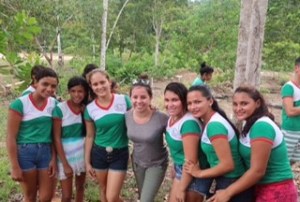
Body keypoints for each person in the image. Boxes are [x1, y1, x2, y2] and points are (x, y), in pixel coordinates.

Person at [208, 85, 297, 202]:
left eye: (244, 104)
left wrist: (227, 192)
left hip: (276, 190)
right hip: (262, 187)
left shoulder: (262, 126)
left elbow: (257, 171)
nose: (238, 108)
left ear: (257, 103)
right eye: (235, 104)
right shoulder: (249, 124)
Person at [184, 85, 253, 202]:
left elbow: (227, 165)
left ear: (210, 101)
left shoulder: (214, 126)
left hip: (232, 181)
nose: (193, 107)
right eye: (189, 103)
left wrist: (198, 173)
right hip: (226, 180)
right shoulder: (210, 121)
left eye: (197, 102)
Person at [6, 67, 59, 202]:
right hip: (25, 152)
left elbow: (54, 134)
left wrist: (54, 158)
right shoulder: (20, 104)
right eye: (45, 84)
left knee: (46, 197)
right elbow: (11, 137)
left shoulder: (54, 104)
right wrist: (14, 166)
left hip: (46, 152)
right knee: (30, 196)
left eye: (53, 86)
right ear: (35, 83)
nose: (49, 89)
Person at [84, 69, 132, 202]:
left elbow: (137, 118)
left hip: (120, 152)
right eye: (95, 84)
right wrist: (87, 162)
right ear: (91, 87)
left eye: (102, 82)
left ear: (109, 82)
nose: (99, 87)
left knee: (112, 197)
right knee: (103, 190)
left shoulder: (124, 101)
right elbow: (89, 136)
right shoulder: (90, 109)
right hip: (99, 153)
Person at [164, 82, 212, 202]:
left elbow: (191, 161)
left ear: (184, 101)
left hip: (193, 175)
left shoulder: (188, 124)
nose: (170, 104)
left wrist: (181, 189)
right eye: (167, 100)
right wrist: (175, 165)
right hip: (182, 170)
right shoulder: (173, 117)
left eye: (175, 100)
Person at [125, 81, 168, 202]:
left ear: (150, 98)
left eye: (143, 97)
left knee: (145, 200)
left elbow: (176, 137)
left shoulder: (161, 118)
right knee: (143, 195)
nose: (139, 101)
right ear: (130, 98)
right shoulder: (127, 116)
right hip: (138, 163)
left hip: (157, 163)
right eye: (135, 97)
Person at [53, 76, 89, 202]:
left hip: (82, 154)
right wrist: (65, 164)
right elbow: (56, 138)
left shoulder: (86, 109)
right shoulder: (60, 109)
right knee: (67, 195)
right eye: (73, 91)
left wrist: (85, 115)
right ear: (68, 91)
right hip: (65, 156)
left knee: (80, 187)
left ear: (85, 92)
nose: (76, 95)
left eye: (80, 91)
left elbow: (89, 133)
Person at [281, 57, 300, 164]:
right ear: (296, 68)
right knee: (283, 161)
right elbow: (290, 111)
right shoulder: (288, 87)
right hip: (290, 131)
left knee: (293, 161)